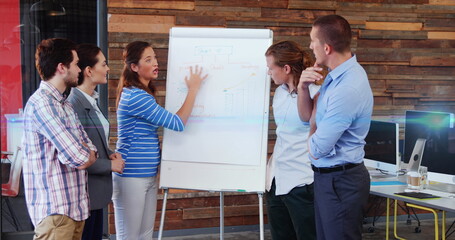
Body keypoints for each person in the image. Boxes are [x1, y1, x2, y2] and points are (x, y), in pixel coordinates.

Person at [113, 41, 208, 239]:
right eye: (148, 60)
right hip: (131, 175)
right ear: (134, 67)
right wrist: (193, 89)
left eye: (155, 57)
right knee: (129, 236)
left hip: (146, 175)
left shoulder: (143, 94)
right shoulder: (136, 97)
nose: (156, 63)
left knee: (145, 234)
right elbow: (177, 123)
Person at [298, 15, 373, 240]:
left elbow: (319, 147)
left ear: (327, 47)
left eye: (313, 41)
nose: (310, 46)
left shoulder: (347, 87)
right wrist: (302, 88)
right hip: (328, 180)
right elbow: (305, 117)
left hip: (341, 182)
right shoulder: (335, 77)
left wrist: (313, 126)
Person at [22, 38, 97, 239]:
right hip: (56, 213)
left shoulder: (65, 105)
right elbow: (78, 157)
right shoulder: (42, 104)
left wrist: (84, 151)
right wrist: (83, 152)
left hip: (74, 209)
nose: (80, 70)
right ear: (61, 67)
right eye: (75, 64)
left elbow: (89, 147)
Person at [67, 43, 125, 240]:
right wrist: (110, 165)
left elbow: (93, 140)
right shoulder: (75, 104)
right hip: (85, 192)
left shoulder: (92, 100)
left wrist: (108, 151)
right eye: (104, 64)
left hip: (96, 192)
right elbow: (78, 154)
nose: (108, 69)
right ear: (89, 71)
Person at [264, 40, 317, 240]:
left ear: (286, 68)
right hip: (277, 180)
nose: (269, 73)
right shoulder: (279, 93)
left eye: (271, 68)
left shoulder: (315, 93)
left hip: (302, 181)